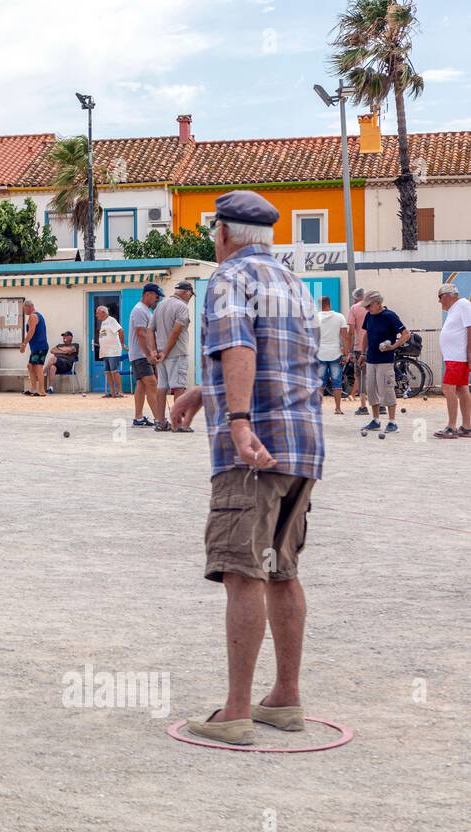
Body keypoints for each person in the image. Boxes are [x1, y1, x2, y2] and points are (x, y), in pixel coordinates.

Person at [170, 190, 322, 747]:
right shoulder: (291, 282)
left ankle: (234, 711)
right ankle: (285, 698)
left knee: (242, 573)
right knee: (281, 570)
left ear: (224, 233)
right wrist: (200, 392)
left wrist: (236, 420)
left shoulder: (228, 280)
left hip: (252, 449)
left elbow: (240, 349)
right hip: (301, 446)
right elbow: (282, 360)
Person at [360, 290, 410, 434]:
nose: (366, 309)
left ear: (378, 303)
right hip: (371, 359)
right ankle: (375, 420)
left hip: (385, 360)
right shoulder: (369, 316)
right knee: (371, 389)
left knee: (387, 389)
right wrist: (363, 353)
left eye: (369, 306)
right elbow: (366, 335)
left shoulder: (390, 316)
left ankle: (392, 422)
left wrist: (394, 346)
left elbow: (406, 334)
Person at [150, 281, 194, 423]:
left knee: (162, 387)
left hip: (160, 354)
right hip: (176, 353)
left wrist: (154, 351)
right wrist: (166, 352)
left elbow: (150, 329)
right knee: (179, 388)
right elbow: (175, 332)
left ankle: (161, 421)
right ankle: (178, 423)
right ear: (186, 292)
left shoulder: (161, 305)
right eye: (191, 294)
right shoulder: (182, 307)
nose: (191, 297)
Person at [434, 283, 471, 439]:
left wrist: (469, 352)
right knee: (461, 389)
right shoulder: (454, 309)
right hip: (455, 357)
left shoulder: (463, 305)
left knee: (448, 388)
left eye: (440, 298)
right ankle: (467, 427)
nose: (439, 302)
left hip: (458, 357)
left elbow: (470, 329)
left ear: (448, 295)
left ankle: (451, 427)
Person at [129, 283, 166, 428]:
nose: (157, 300)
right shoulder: (139, 310)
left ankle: (138, 418)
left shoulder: (146, 310)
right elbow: (141, 333)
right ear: (147, 295)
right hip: (141, 354)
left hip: (141, 354)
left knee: (142, 385)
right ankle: (160, 419)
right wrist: (149, 353)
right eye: (156, 297)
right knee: (152, 384)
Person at [314, 295, 350, 416]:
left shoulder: (315, 318)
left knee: (320, 383)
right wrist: (346, 353)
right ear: (330, 304)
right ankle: (338, 408)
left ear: (320, 305)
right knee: (337, 382)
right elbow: (345, 337)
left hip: (320, 353)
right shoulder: (340, 317)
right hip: (335, 353)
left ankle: (318, 409)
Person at [346, 287, 369, 413]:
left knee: (360, 376)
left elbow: (350, 332)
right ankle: (380, 405)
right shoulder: (372, 306)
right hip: (374, 346)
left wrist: (349, 350)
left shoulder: (354, 308)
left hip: (360, 346)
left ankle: (363, 405)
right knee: (375, 375)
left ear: (355, 297)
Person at [96, 306, 125, 398]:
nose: (96, 315)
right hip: (105, 351)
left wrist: (122, 344)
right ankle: (112, 392)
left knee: (114, 371)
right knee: (107, 372)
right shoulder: (103, 323)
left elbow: (121, 331)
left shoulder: (111, 320)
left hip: (113, 351)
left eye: (98, 313)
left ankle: (120, 391)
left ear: (103, 312)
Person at [20, 301, 47, 396]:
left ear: (29, 307)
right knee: (30, 366)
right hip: (36, 346)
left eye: (24, 309)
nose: (24, 311)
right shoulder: (37, 315)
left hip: (40, 346)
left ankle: (42, 391)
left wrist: (24, 344)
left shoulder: (33, 316)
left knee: (38, 367)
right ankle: (33, 389)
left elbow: (31, 331)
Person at [42, 330, 80, 396]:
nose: (64, 337)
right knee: (52, 367)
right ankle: (51, 388)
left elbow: (70, 350)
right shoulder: (60, 345)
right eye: (63, 336)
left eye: (66, 336)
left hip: (67, 364)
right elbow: (52, 350)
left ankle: (42, 373)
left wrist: (59, 350)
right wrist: (64, 351)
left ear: (70, 337)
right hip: (58, 364)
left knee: (52, 358)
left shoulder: (75, 345)